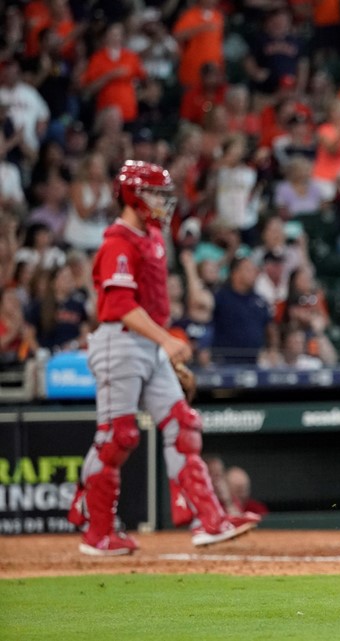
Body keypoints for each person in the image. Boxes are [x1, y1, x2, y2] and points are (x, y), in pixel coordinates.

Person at [68, 161, 259, 556]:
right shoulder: (117, 241)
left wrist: (160, 344)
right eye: (156, 194)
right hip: (119, 342)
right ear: (135, 196)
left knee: (183, 425)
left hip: (146, 343)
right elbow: (119, 305)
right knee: (117, 437)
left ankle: (210, 521)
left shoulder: (151, 234)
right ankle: (98, 533)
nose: (162, 202)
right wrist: (167, 342)